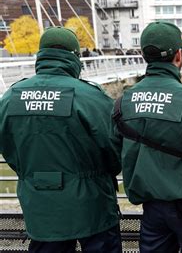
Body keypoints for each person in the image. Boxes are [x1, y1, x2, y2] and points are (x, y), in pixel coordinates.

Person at [0, 27, 122, 252]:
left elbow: (8, 147)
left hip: (40, 205)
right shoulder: (91, 98)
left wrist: (32, 173)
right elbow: (114, 151)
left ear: (41, 55)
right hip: (92, 204)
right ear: (75, 57)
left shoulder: (10, 98)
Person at [111, 21, 182, 253]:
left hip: (151, 206)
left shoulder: (123, 103)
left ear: (144, 55)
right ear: (179, 55)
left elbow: (114, 153)